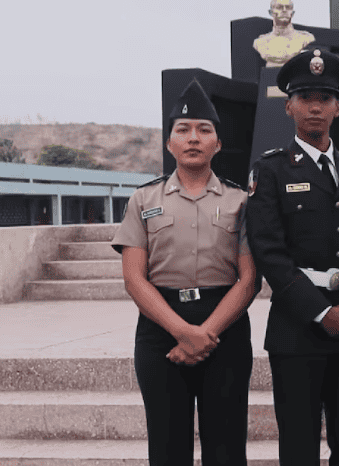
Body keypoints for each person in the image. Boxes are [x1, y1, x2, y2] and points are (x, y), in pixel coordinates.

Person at [245, 47, 339, 466]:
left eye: (324, 99)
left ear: (337, 108)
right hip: (297, 328)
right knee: (298, 446)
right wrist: (319, 312)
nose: (314, 107)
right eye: (305, 97)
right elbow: (268, 251)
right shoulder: (271, 170)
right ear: (288, 106)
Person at [111, 79, 257, 466]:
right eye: (183, 130)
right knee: (167, 446)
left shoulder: (241, 201)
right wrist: (183, 333)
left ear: (218, 144)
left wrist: (205, 334)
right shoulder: (143, 199)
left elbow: (249, 280)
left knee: (226, 448)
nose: (193, 138)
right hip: (160, 332)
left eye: (204, 130)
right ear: (169, 144)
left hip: (224, 328)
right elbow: (134, 278)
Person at [253, 0, 316, 67]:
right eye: (279, 7)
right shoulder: (260, 42)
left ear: (292, 13)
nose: (284, 10)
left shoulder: (306, 38)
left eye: (288, 7)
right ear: (271, 12)